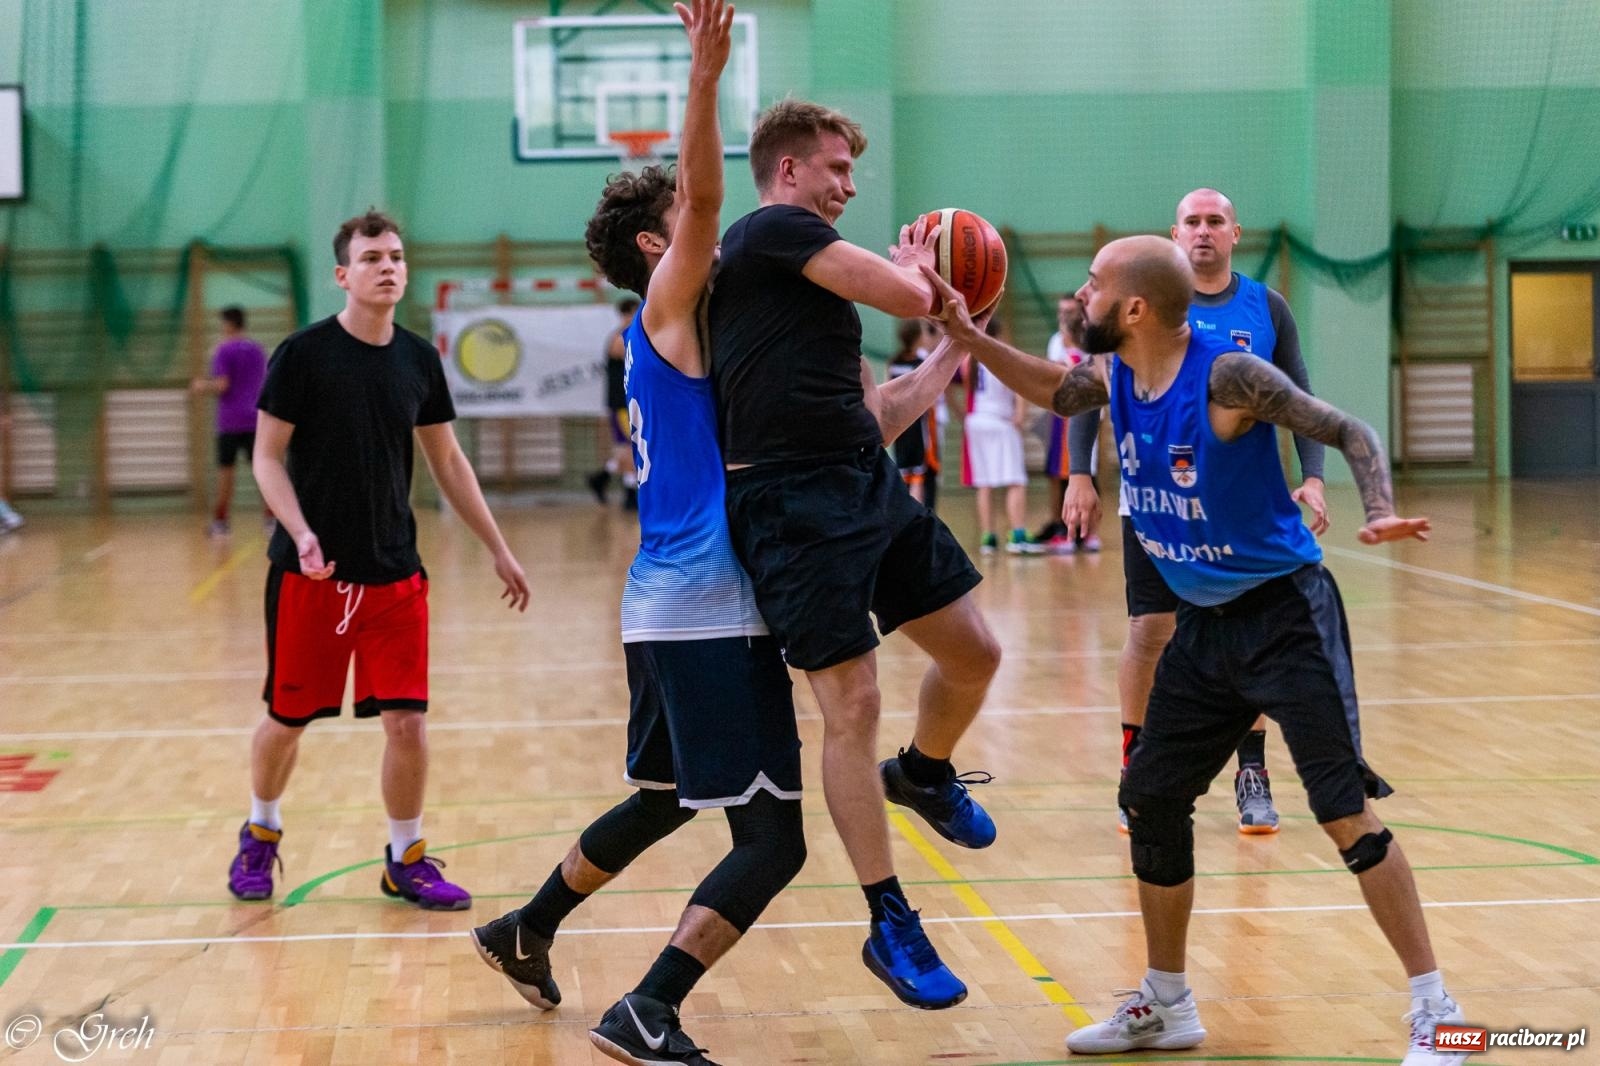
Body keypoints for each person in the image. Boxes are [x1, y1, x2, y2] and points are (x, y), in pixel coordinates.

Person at [927, 236, 1466, 1065]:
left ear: (1134, 308)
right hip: (1204, 624)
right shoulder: (1116, 375)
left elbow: (1346, 426)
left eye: (1095, 284)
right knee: (1151, 798)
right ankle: (1169, 1005)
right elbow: (1057, 391)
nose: (1081, 293)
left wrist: (1379, 505)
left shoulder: (1226, 378)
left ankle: (1439, 1012)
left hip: (1285, 616)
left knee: (1341, 811)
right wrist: (964, 337)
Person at [709, 98, 1003, 1010]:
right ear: (788, 171)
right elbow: (909, 291)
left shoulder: (815, 292)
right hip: (788, 504)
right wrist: (924, 275)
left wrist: (954, 349)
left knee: (976, 652)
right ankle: (889, 919)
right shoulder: (765, 233)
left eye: (850, 169)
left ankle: (921, 773)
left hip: (861, 481)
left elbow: (876, 415)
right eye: (836, 167)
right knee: (853, 702)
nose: (849, 184)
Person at [226, 208, 531, 912]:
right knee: (287, 719)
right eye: (371, 258)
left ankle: (405, 857)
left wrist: (498, 547)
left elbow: (448, 460)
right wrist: (299, 532)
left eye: (395, 256)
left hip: (395, 575)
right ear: (343, 274)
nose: (387, 266)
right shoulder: (302, 356)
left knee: (408, 724)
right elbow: (267, 459)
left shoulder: (418, 359)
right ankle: (261, 832)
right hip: (311, 578)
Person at [1065, 188, 1328, 834]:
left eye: (1216, 221)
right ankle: (1137, 762)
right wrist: (1079, 474)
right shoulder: (1141, 301)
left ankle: (1252, 770)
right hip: (1154, 501)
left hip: (1237, 507)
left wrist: (1314, 479)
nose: (1204, 231)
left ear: (1237, 232)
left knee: (1248, 636)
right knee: (1150, 633)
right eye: (1192, 221)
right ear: (1174, 235)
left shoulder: (1266, 308)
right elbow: (1088, 385)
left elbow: (1299, 394)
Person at [960, 317, 1043, 555]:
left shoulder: (969, 358)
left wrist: (962, 413)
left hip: (977, 421)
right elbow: (1019, 387)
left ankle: (988, 538)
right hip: (999, 421)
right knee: (1015, 480)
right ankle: (1017, 535)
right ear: (1000, 332)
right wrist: (1020, 414)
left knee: (984, 484)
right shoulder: (1002, 354)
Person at [191, 306, 269, 536]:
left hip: (231, 421)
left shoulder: (223, 350)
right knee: (264, 471)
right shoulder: (257, 349)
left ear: (228, 324)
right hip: (256, 418)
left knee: (226, 471)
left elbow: (222, 384)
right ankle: (272, 520)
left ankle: (221, 521)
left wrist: (201, 385)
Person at [1035, 294, 1100, 554]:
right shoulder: (1056, 342)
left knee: (1087, 474)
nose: (1065, 316)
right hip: (1061, 417)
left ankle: (1090, 533)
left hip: (1088, 414)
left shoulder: (1089, 344)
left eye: (1069, 311)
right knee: (1059, 475)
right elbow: (1055, 376)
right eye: (1061, 311)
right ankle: (1064, 528)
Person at [587, 296, 642, 510]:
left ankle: (601, 478)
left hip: (627, 402)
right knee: (628, 447)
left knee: (626, 448)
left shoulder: (629, 336)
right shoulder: (620, 339)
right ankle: (629, 495)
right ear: (628, 313)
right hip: (620, 403)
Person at [887, 319, 943, 511]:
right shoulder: (922, 364)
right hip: (918, 424)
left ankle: (904, 517)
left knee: (905, 475)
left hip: (899, 426)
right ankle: (916, 518)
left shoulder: (893, 363)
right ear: (919, 338)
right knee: (919, 476)